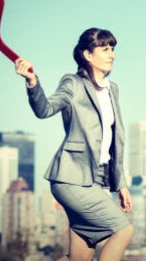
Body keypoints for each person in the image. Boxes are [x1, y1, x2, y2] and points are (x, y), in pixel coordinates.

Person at [15, 27, 134, 261]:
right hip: (70, 178)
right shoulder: (73, 83)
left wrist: (121, 184)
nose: (112, 54)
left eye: (113, 49)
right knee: (123, 229)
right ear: (88, 55)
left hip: (96, 180)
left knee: (79, 258)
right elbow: (44, 109)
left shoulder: (113, 89)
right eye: (105, 49)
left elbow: (114, 141)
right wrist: (32, 81)